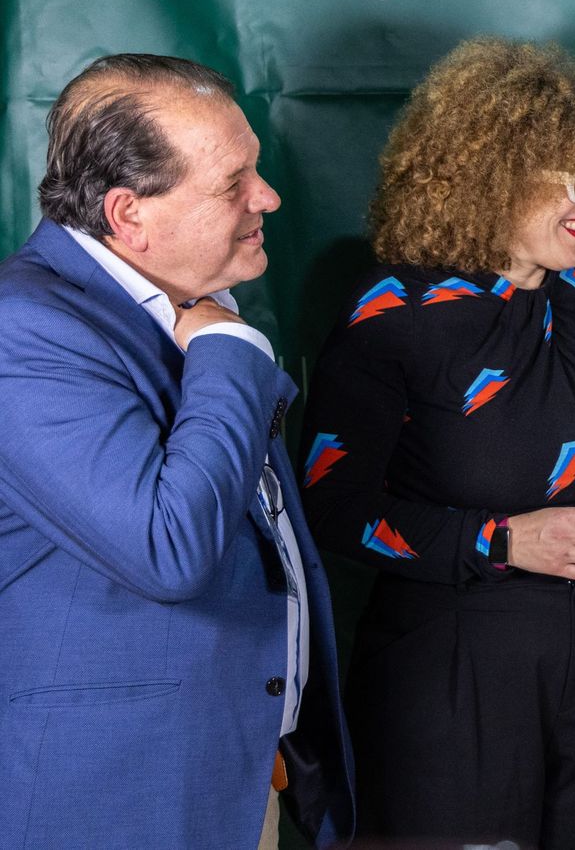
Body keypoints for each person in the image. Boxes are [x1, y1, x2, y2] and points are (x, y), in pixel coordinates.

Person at [299, 37, 575, 846]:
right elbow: (332, 507)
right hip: (450, 671)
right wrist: (502, 542)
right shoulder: (390, 316)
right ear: (491, 176)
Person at [0, 54, 355, 848]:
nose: (268, 197)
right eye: (234, 183)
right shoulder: (22, 329)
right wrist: (230, 352)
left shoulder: (184, 303)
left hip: (226, 780)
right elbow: (169, 551)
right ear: (129, 215)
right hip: (116, 802)